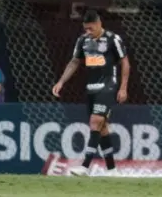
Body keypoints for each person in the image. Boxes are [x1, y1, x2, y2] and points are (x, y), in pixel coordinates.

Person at [52, 10, 130, 176]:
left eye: (90, 28)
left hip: (108, 85)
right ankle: (112, 169)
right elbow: (74, 62)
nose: (88, 32)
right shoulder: (83, 40)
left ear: (99, 23)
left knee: (95, 121)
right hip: (91, 87)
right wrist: (61, 81)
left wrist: (123, 87)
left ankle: (85, 166)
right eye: (85, 29)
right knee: (101, 129)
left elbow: (125, 62)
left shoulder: (113, 39)